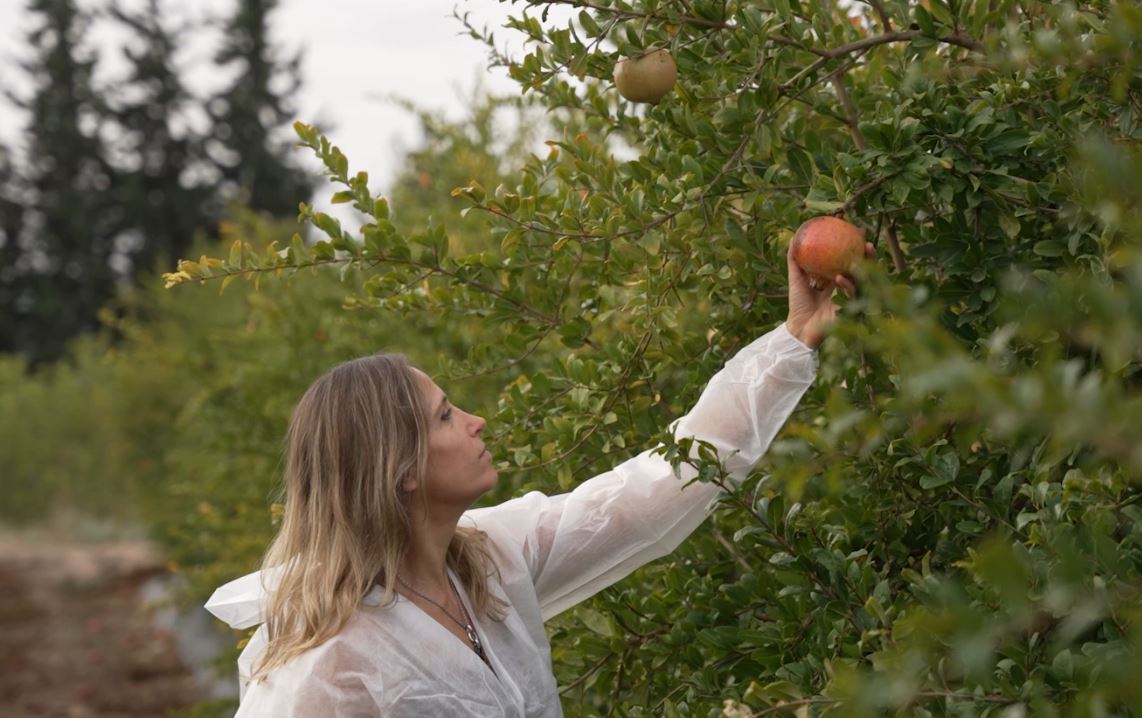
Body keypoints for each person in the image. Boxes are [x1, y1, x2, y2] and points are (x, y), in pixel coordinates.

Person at [205, 241, 874, 716]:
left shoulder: (489, 561)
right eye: (445, 416)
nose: (476, 420)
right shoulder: (326, 667)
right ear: (399, 470)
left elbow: (646, 495)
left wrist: (793, 339)